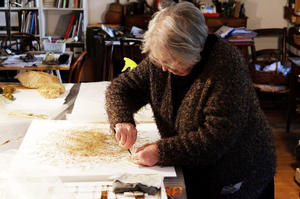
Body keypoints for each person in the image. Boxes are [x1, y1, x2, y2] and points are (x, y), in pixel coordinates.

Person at [105, 2, 276, 198]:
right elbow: (120, 88)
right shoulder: (163, 58)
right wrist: (122, 119)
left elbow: (214, 139)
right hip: (195, 169)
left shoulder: (226, 67)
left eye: (170, 62)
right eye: (161, 60)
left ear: (193, 50)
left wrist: (161, 151)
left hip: (237, 174)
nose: (163, 68)